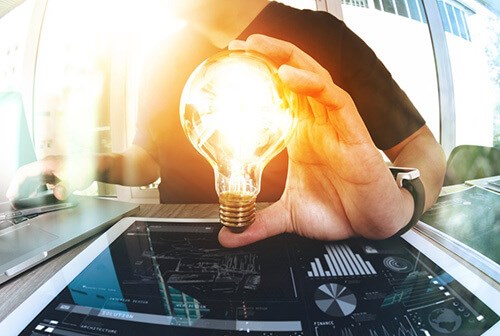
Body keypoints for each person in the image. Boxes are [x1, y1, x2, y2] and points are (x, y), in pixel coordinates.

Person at [7, 0, 446, 248]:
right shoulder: (161, 55)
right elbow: (147, 160)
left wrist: (401, 205)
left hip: (308, 244)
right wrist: (88, 164)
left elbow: (422, 147)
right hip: (181, 255)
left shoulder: (324, 37)